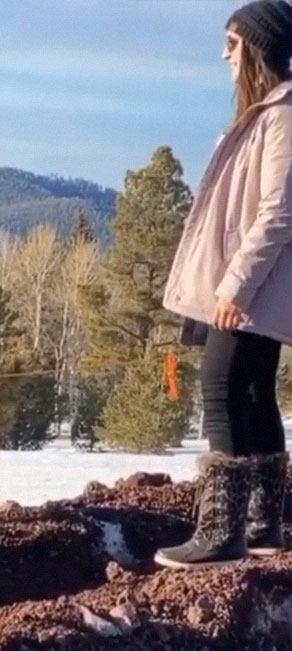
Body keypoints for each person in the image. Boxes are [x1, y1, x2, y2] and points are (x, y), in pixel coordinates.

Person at [156, 0, 292, 569]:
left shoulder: (283, 115)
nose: (224, 55)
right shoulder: (266, 114)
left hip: (252, 288)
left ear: (258, 48)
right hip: (259, 287)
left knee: (220, 388)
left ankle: (221, 533)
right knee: (253, 392)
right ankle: (263, 526)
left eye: (233, 44)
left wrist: (234, 286)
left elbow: (278, 212)